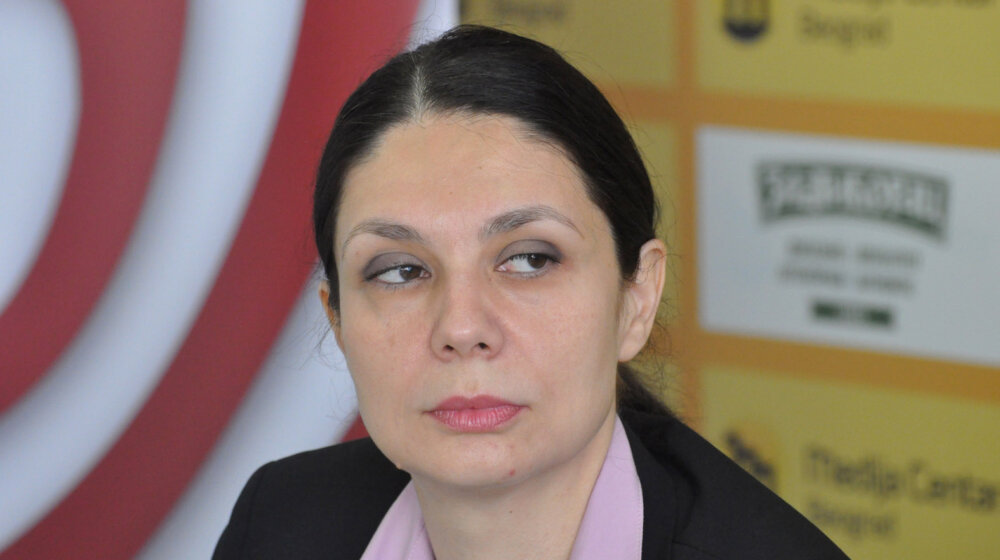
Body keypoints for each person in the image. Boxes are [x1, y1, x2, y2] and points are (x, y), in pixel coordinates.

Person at [214, 25, 848, 560]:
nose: (462, 327)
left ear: (636, 300)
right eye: (401, 271)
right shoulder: (276, 525)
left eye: (529, 260)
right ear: (339, 321)